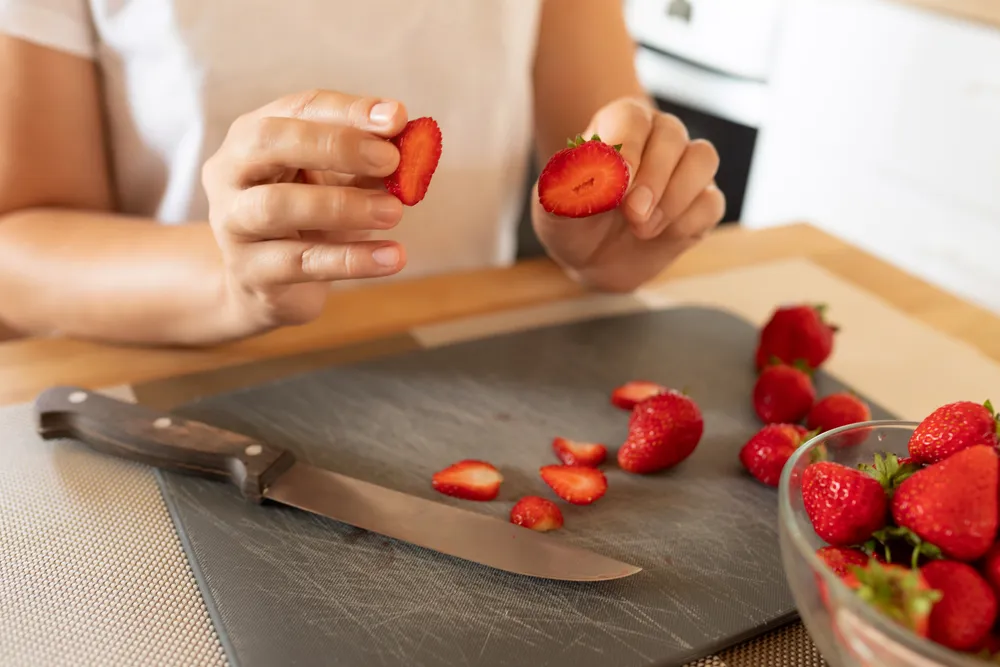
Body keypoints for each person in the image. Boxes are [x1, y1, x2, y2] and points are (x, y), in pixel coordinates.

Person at [0, 0, 724, 347]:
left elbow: (606, 135)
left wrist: (619, 225)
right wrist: (230, 279)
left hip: (467, 365)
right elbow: (16, 245)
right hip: (172, 384)